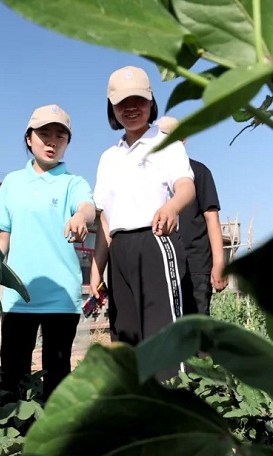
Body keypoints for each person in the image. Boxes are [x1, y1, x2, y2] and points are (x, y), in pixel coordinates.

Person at [0, 104, 95, 399]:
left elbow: (87, 207)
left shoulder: (73, 183)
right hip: (19, 296)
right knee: (12, 377)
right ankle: (11, 439)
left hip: (61, 298)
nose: (52, 141)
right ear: (29, 138)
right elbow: (1, 241)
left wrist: (81, 217)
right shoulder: (12, 183)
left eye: (60, 135)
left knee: (57, 377)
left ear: (68, 143)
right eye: (44, 134)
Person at [89, 66, 195, 352]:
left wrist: (172, 207)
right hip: (119, 251)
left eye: (138, 99)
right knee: (126, 338)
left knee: (162, 333)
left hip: (155, 242)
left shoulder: (168, 144)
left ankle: (173, 393)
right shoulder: (108, 157)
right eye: (122, 102)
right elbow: (105, 220)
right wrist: (98, 269)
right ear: (112, 107)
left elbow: (186, 186)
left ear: (151, 101)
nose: (131, 108)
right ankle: (134, 395)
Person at [155, 116, 228, 316]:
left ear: (184, 139)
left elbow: (212, 218)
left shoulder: (200, 172)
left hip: (195, 265)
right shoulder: (150, 175)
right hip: (161, 263)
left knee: (197, 329)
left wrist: (219, 263)